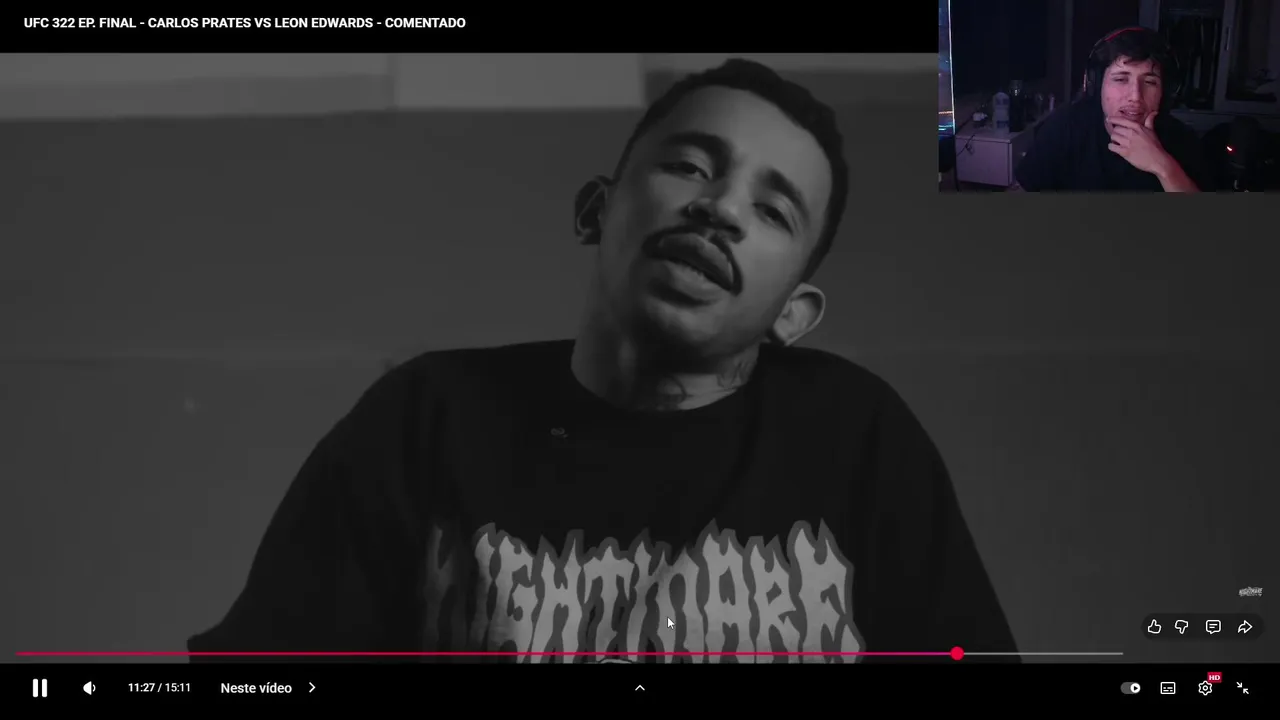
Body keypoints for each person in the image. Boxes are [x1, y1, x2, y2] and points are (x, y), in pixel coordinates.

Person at [188, 59, 1019, 664]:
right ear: (597, 209)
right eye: (690, 165)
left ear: (793, 315)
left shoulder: (856, 435)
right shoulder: (427, 416)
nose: (720, 207)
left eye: (773, 211)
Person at [1013, 26, 1209, 192]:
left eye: (1150, 82)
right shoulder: (1064, 128)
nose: (1135, 96)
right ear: (1097, 86)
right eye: (1121, 79)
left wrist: (1163, 166)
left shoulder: (1183, 140)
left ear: (1164, 92)